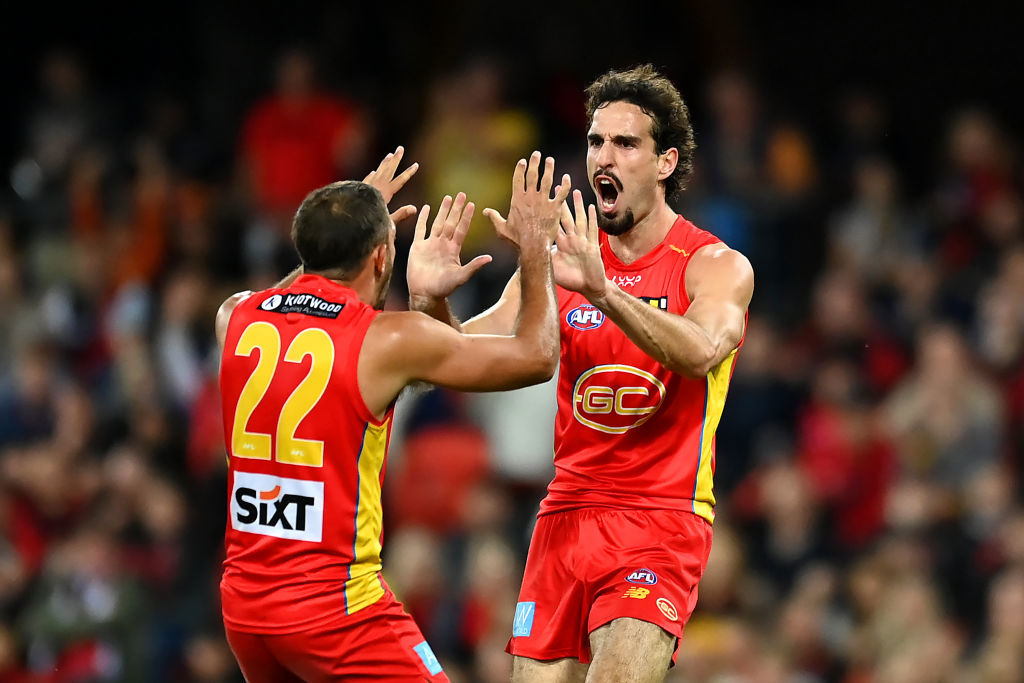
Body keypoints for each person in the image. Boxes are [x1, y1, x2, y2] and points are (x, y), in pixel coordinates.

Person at [408, 65, 755, 682]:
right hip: (565, 517)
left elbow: (702, 351)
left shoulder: (713, 265)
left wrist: (604, 292)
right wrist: (431, 303)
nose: (605, 157)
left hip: (660, 518)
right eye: (597, 142)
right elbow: (449, 360)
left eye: (626, 143)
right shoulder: (558, 263)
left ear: (666, 162)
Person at [215, 148, 570, 682]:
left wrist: (347, 232)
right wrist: (537, 250)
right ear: (382, 257)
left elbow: (295, 296)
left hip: (244, 607)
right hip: (334, 608)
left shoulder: (235, 316)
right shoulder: (384, 339)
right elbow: (537, 357)